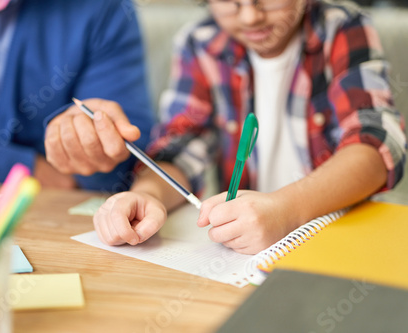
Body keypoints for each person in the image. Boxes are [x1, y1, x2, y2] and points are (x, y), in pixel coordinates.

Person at [88, 0, 406, 254]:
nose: (251, 16)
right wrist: (147, 194)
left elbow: (376, 144)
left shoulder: (342, 29)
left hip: (341, 235)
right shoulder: (200, 42)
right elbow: (184, 145)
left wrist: (288, 210)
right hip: (246, 252)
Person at [0, 0, 154, 192]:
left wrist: (96, 153)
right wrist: (21, 167)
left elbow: (128, 164)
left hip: (47, 223)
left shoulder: (103, 9)